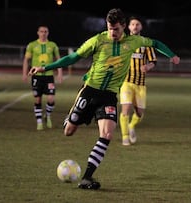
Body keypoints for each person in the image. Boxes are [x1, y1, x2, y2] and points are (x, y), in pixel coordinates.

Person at [28, 8, 180, 190]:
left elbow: (155, 43)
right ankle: (70, 118)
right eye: (110, 28)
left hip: (109, 96)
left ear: (123, 26)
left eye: (116, 29)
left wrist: (172, 55)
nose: (112, 33)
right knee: (68, 131)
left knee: (107, 134)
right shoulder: (98, 40)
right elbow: (72, 57)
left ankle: (87, 177)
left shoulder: (134, 41)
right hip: (89, 91)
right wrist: (45, 68)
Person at [119, 16, 157, 146]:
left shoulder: (146, 43)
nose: (135, 26)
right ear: (128, 27)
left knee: (139, 114)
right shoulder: (122, 42)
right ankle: (125, 137)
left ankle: (131, 126)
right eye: (133, 24)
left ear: (141, 27)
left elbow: (153, 62)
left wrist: (148, 66)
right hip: (126, 82)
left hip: (140, 84)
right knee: (126, 109)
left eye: (137, 24)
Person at [22, 25, 63, 130]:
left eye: (45, 31)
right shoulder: (32, 45)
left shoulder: (52, 45)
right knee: (37, 100)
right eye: (41, 31)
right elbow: (26, 60)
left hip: (49, 76)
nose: (43, 33)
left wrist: (60, 73)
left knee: (51, 98)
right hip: (36, 76)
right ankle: (39, 121)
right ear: (38, 33)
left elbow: (59, 60)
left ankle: (48, 115)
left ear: (48, 33)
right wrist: (24, 73)